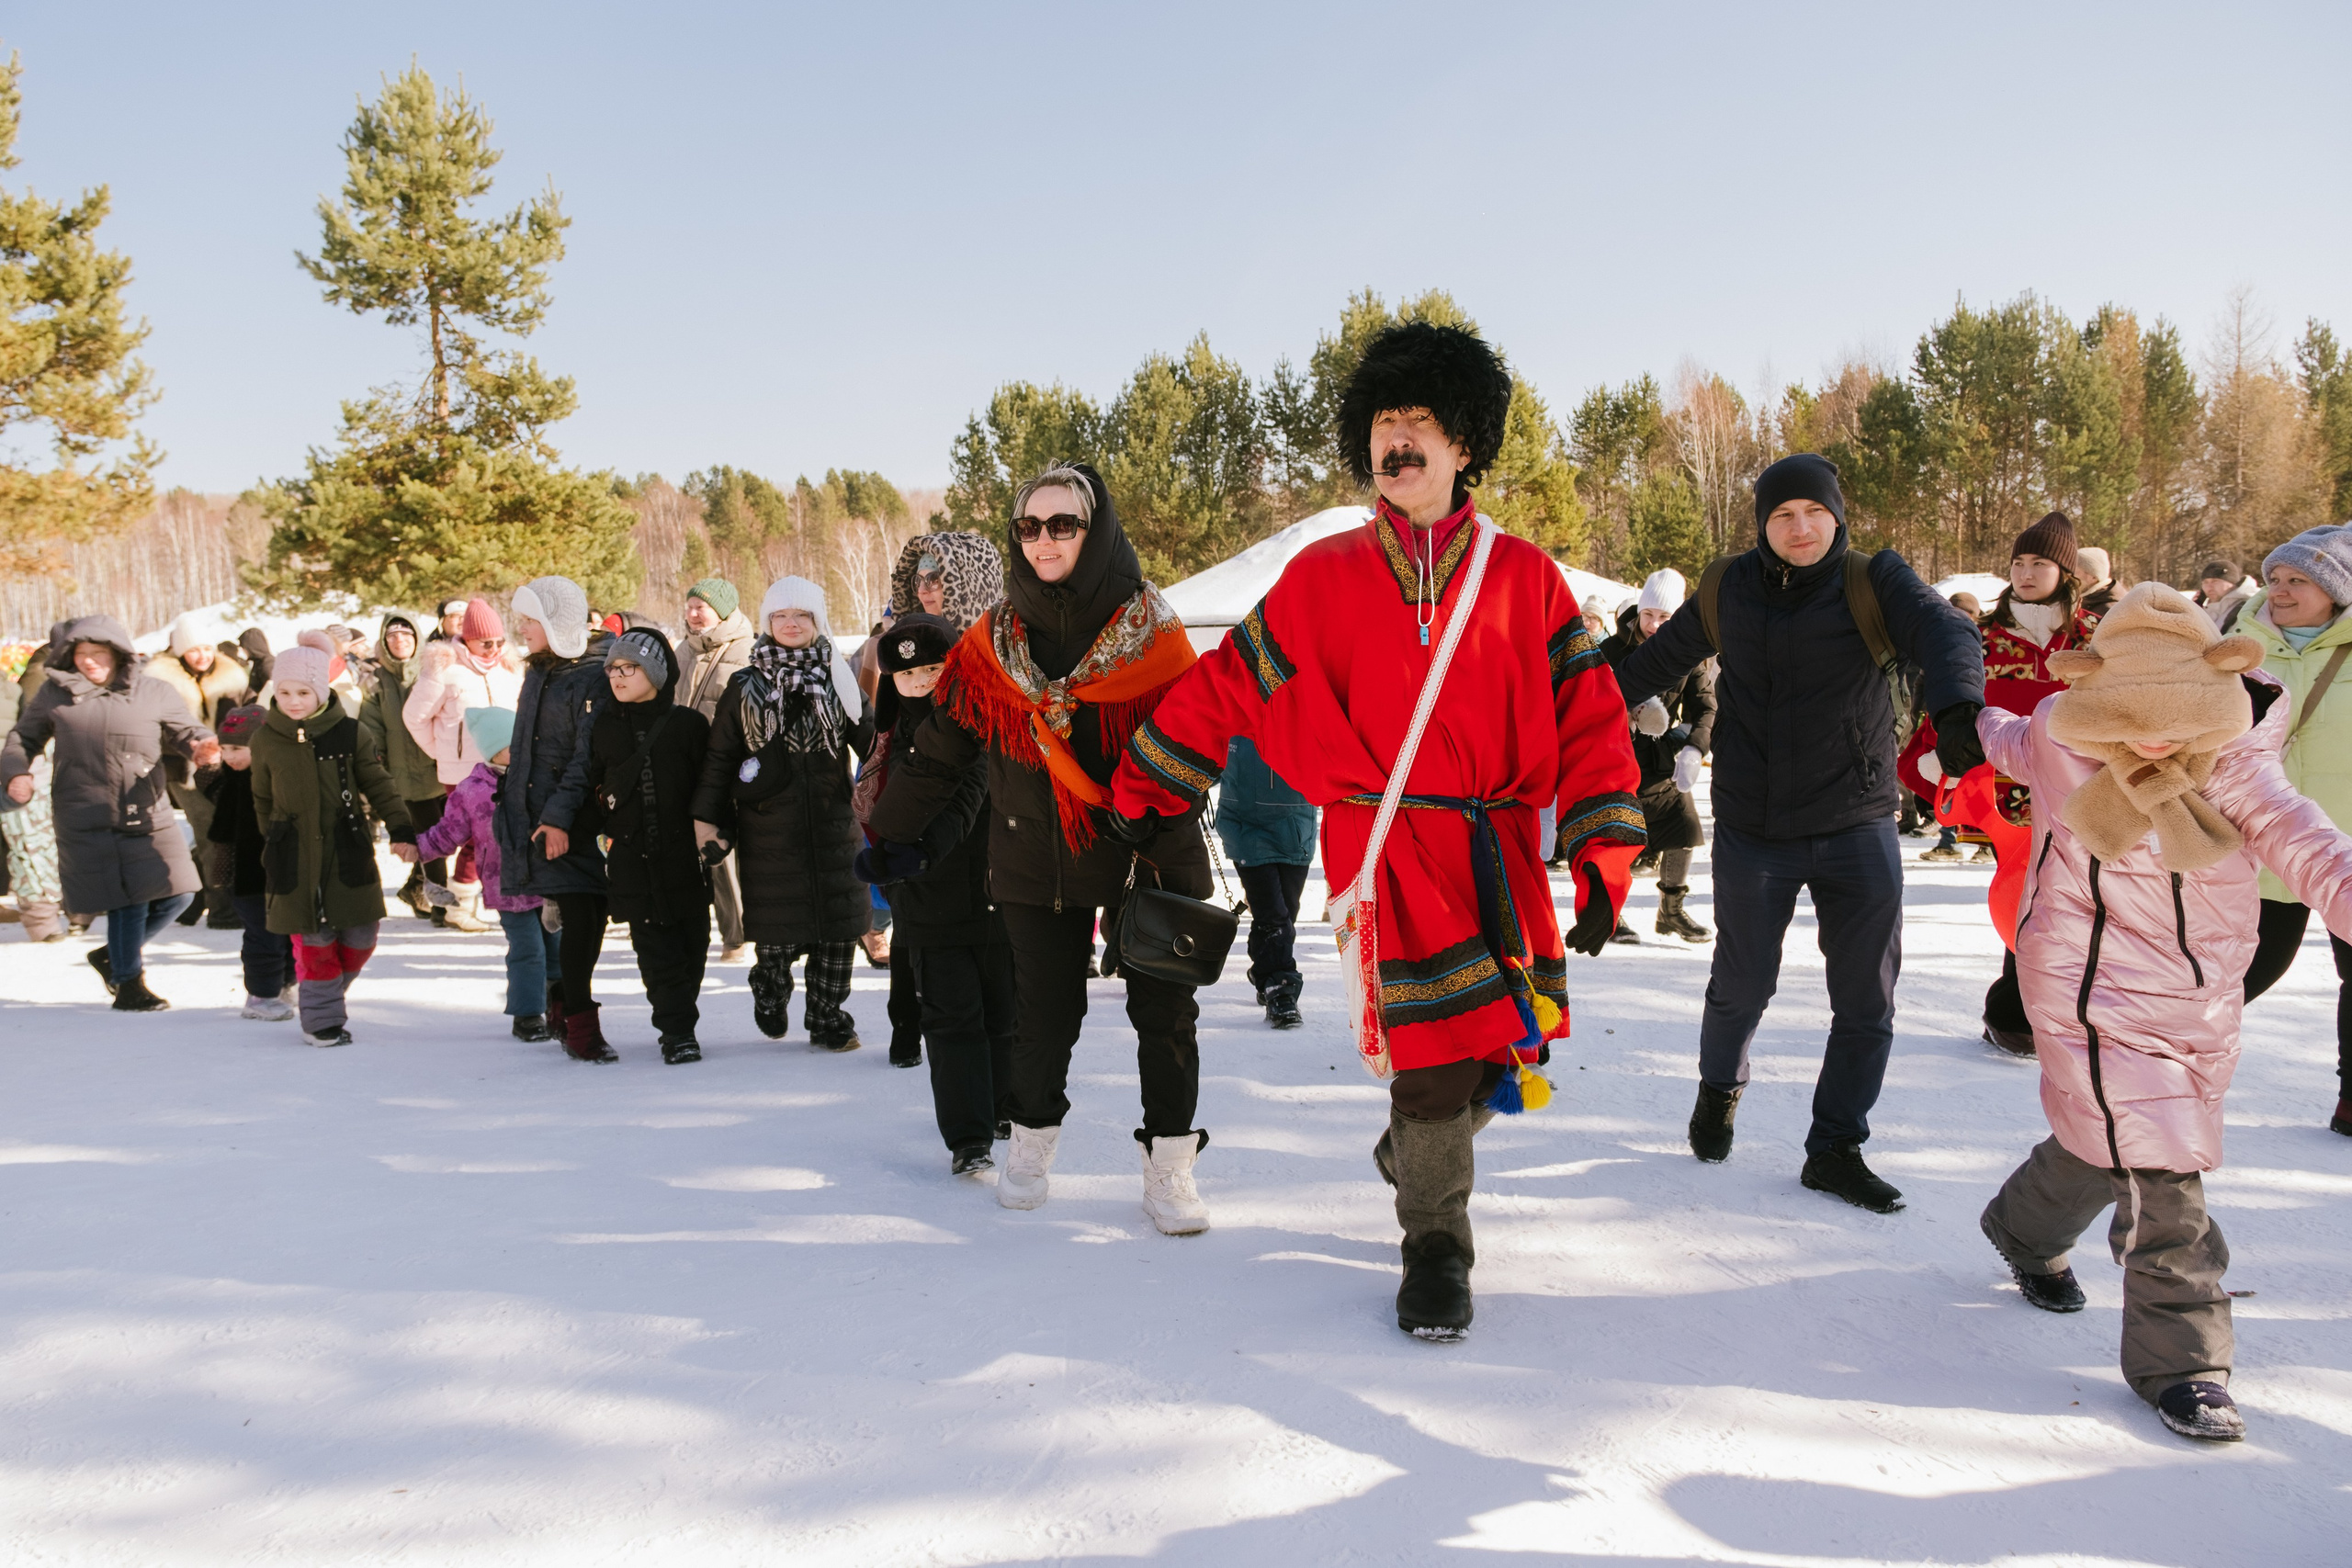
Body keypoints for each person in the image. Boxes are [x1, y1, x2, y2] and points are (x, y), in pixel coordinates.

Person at [1109, 323, 1645, 1325]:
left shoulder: (1528, 578)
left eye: (1423, 424)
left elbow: (1591, 719)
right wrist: (1146, 780)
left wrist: (1604, 853)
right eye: (1386, 424)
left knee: (1502, 1055)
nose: (1400, 442)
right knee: (1436, 1061)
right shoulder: (1320, 578)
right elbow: (1228, 684)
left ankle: (1413, 1151)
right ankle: (1435, 1246)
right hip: (1386, 853)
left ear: (1464, 446)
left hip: (1498, 854)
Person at [1974, 581, 2352, 1443]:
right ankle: (2184, 1363)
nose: (2150, 736)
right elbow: (2008, 735)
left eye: (2176, 713)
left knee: (2107, 1132)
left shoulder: (2238, 765)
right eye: (2125, 712)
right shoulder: (2065, 733)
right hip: (2077, 986)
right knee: (2162, 1169)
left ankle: (2021, 1227)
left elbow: (2309, 842)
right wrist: (1962, 724)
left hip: (2192, 992)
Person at [1616, 453, 1984, 1213]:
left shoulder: (1872, 578)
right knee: (1742, 985)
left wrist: (1955, 711)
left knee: (1866, 1000)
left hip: (1856, 820)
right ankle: (1719, 1089)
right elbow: (1648, 663)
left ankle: (1836, 1146)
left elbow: (1945, 632)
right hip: (1756, 826)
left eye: (1813, 512)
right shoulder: (1727, 587)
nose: (1800, 526)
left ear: (1837, 516)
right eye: (1782, 515)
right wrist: (1560, 705)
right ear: (1762, 525)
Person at [871, 461, 1215, 1234]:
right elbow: (943, 748)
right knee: (1044, 1014)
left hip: (1147, 848)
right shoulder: (994, 641)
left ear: (1096, 532)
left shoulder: (1151, 631)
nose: (1044, 539)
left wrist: (1156, 803)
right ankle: (1029, 1147)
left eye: (1064, 524)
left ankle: (1170, 1166)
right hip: (1038, 852)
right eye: (1029, 526)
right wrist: (885, 833)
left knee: (1165, 1015)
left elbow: (1199, 742)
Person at [1912, 513, 2102, 1053]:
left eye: (2039, 562)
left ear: (2066, 572)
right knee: (2028, 895)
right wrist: (1937, 751)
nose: (2024, 572)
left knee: (2073, 903)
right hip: (2004, 798)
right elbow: (1951, 698)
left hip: (2082, 794)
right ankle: (2016, 1011)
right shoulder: (1985, 637)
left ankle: (2057, 1010)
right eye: (2018, 562)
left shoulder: (2098, 637)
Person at [857, 612, 1015, 1173]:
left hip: (999, 891)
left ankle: (1001, 1109)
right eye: (906, 674)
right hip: (929, 901)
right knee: (951, 1020)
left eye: (932, 668)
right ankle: (969, 1138)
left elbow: (970, 787)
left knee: (1003, 1014)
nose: (921, 682)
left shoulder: (986, 720)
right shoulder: (890, 739)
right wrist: (907, 859)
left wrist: (918, 849)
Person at [693, 576, 874, 1053]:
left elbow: (874, 744)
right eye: (781, 616)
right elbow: (720, 759)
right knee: (776, 941)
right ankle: (770, 992)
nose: (791, 624)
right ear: (767, 622)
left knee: (839, 933)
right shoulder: (745, 684)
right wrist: (706, 817)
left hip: (834, 824)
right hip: (770, 831)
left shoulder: (840, 677)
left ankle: (828, 1017)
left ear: (818, 622)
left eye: (802, 616)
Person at [3, 615, 219, 1010]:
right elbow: (23, 737)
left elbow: (186, 730)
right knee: (128, 900)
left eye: (97, 653)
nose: (88, 661)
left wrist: (202, 746)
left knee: (181, 894)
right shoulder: (56, 693)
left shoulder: (154, 690)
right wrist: (16, 772)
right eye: (80, 654)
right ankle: (128, 982)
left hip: (147, 808)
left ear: (117, 653)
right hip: (87, 813)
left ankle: (111, 955)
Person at [856, 534, 1008, 1060]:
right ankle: (908, 1027)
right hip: (909, 804)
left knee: (986, 957)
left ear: (971, 581)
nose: (927, 588)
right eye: (919, 577)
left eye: (940, 576)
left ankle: (993, 1069)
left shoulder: (1001, 650)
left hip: (986, 821)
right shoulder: (902, 641)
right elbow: (884, 726)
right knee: (913, 920)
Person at [2232, 525, 2352, 1134]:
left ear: (2335, 589)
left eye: (2297, 579)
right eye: (2275, 577)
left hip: (2345, 845)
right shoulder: (2237, 643)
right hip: (2262, 836)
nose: (2279, 589)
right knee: (2246, 965)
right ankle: (2156, 1056)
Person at [247, 644, 416, 1045]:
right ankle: (321, 1022)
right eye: (284, 692)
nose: (292, 701)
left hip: (346, 848)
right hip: (294, 856)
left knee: (361, 937)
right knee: (315, 943)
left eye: (303, 693)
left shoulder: (351, 732)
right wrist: (274, 839)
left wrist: (401, 828)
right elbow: (262, 798)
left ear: (321, 693)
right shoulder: (266, 738)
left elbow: (379, 784)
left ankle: (321, 995)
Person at [494, 576, 616, 1062]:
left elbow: (584, 758)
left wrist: (560, 820)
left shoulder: (591, 674)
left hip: (575, 820)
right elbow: (526, 752)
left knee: (587, 919)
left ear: (555, 621)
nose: (520, 628)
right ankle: (579, 1024)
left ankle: (567, 1010)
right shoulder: (540, 671)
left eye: (529, 619)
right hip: (542, 820)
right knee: (581, 919)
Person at [583, 627, 712, 1065]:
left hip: (684, 859)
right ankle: (677, 1030)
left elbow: (710, 789)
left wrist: (717, 833)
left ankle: (680, 1017)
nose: (616, 677)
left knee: (693, 943)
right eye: (612, 669)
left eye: (628, 668)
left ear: (655, 672)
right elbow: (591, 789)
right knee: (656, 950)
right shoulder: (603, 726)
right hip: (632, 860)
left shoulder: (689, 726)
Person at [397, 705, 560, 1043]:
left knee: (556, 946)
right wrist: (419, 848)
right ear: (492, 749)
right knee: (528, 949)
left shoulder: (543, 777)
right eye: (512, 742)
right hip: (507, 886)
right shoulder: (472, 790)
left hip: (549, 882)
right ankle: (528, 1015)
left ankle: (560, 1008)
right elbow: (448, 832)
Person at [1603, 570, 1715, 943]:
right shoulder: (1611, 651)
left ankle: (1671, 911)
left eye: (1665, 618)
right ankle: (1609, 915)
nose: (1654, 625)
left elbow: (1707, 708)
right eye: (1648, 614)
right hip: (1614, 761)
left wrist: (1695, 747)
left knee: (1682, 829)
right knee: (1616, 838)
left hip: (1663, 761)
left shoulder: (1690, 653)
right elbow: (1589, 702)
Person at [403, 598, 522, 932]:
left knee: (496, 836)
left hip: (506, 767)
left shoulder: (509, 668)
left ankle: (473, 904)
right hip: (462, 771)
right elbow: (414, 717)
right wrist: (443, 752)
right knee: (471, 836)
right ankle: (459, 907)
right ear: (467, 638)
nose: (494, 649)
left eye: (499, 642)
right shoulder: (444, 668)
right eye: (486, 642)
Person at [150, 612, 253, 929]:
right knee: (212, 832)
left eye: (207, 649)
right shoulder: (161, 682)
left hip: (227, 766)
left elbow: (249, 715)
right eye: (194, 650)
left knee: (223, 831)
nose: (202, 656)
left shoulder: (231, 678)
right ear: (180, 652)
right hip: (184, 769)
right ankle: (222, 911)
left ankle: (191, 905)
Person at [677, 577, 757, 963]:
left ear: (722, 610)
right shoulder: (684, 649)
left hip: (730, 764)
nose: (693, 614)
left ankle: (738, 936)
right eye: (689, 606)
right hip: (686, 762)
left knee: (723, 850)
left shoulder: (748, 649)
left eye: (701, 606)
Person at [1215, 737, 1317, 1028]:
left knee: (1285, 912)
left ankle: (1265, 969)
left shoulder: (1304, 703)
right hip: (1246, 830)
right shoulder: (1229, 704)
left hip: (1296, 829)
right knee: (1273, 915)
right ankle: (1280, 989)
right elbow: (1203, 755)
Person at [203, 704, 296, 1021]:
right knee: (263, 934)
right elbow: (214, 793)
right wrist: (205, 769)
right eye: (225, 749)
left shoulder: (278, 775)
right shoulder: (232, 777)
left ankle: (284, 984)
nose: (230, 756)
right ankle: (260, 995)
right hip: (242, 875)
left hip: (278, 868)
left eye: (238, 748)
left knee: (288, 930)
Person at [360, 610, 451, 926]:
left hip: (444, 769)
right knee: (433, 844)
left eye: (406, 635)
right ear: (384, 643)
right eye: (392, 636)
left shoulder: (433, 673)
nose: (399, 641)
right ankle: (441, 907)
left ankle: (414, 888)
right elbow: (371, 734)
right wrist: (380, 772)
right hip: (406, 778)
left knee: (449, 839)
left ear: (417, 640)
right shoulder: (376, 685)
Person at [2195, 559, 2256, 633]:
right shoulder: (2211, 610)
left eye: (2215, 581)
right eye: (2205, 582)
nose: (2209, 587)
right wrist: (2194, 610)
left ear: (2232, 583)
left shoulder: (2248, 608)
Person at [2076, 546, 2120, 620]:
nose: (2069, 575)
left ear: (2093, 578)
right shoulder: (2089, 601)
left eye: (2074, 571)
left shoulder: (2110, 612)